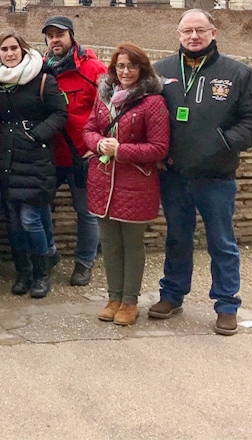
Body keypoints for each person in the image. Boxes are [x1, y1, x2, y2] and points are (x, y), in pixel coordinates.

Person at [151, 9, 252, 335]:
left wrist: (222, 142)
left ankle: (226, 304)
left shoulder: (238, 73)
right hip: (174, 174)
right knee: (177, 237)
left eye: (200, 30)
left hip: (216, 176)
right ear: (178, 34)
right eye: (187, 31)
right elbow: (146, 115)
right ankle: (172, 294)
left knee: (222, 242)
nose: (193, 36)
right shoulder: (160, 72)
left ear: (213, 33)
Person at [83, 43, 170, 326]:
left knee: (132, 244)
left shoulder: (152, 103)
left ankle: (130, 300)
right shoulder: (104, 97)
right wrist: (98, 143)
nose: (126, 71)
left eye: (132, 66)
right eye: (120, 66)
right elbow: (88, 130)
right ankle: (113, 297)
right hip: (103, 181)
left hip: (135, 183)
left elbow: (159, 147)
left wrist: (121, 150)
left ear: (142, 69)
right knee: (109, 243)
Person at [0, 30, 68, 298]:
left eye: (13, 48)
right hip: (6, 158)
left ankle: (41, 273)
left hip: (35, 157)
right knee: (13, 221)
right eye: (4, 50)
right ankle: (22, 272)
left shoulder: (42, 78)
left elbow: (60, 114)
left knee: (31, 219)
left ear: (22, 49)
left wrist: (35, 134)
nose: (9, 54)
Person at [42, 15, 108, 287]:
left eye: (60, 34)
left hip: (83, 153)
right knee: (38, 204)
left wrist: (99, 147)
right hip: (51, 154)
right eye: (50, 36)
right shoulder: (42, 70)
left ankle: (84, 263)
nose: (55, 40)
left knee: (86, 211)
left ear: (71, 36)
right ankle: (49, 252)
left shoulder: (93, 69)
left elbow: (109, 111)